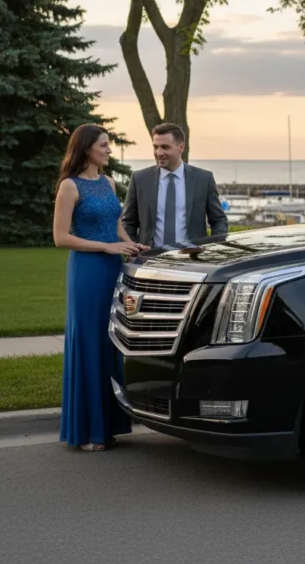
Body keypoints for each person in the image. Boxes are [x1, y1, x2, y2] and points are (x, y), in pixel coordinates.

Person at [52, 124, 148, 451]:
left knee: (112, 343)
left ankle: (110, 425)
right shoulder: (69, 186)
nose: (109, 150)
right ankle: (89, 431)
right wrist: (106, 247)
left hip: (114, 269)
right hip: (89, 271)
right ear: (87, 148)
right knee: (90, 342)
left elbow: (116, 223)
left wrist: (130, 244)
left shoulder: (108, 182)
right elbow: (60, 237)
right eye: (104, 145)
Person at [121, 123, 228, 249]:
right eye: (156, 147)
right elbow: (128, 222)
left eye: (165, 147)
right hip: (149, 260)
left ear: (181, 147)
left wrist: (212, 248)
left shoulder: (203, 179)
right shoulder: (140, 179)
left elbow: (219, 220)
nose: (159, 153)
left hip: (192, 261)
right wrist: (134, 249)